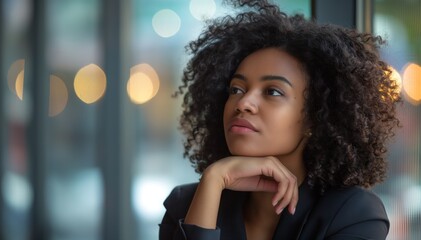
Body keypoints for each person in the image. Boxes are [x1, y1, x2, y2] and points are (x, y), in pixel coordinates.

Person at [159, 0, 400, 239]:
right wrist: (213, 180)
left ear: (315, 118)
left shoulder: (353, 215)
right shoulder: (187, 206)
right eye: (236, 90)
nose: (243, 103)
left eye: (273, 91)